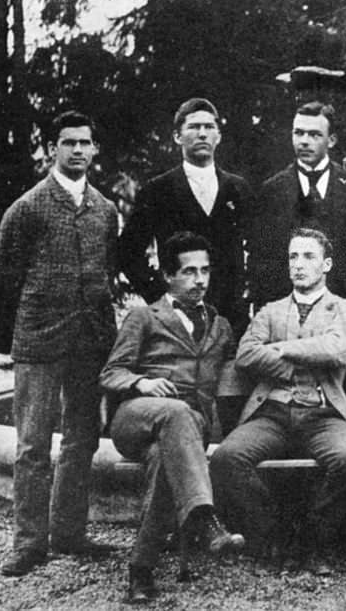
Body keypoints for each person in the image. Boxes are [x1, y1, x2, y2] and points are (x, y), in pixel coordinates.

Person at [0, 111, 119, 576]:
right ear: (52, 149)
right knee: (33, 445)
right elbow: (1, 280)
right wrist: (22, 331)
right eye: (68, 143)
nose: (77, 150)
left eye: (85, 143)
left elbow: (108, 273)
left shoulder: (105, 210)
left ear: (95, 149)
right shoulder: (27, 208)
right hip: (39, 341)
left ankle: (69, 532)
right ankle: (28, 543)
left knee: (81, 439)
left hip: (89, 341)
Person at [211, 228, 346, 566]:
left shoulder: (345, 309)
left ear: (326, 264)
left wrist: (281, 348)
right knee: (227, 458)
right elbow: (246, 356)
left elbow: (337, 349)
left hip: (324, 414)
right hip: (272, 413)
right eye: (293, 257)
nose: (298, 265)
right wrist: (295, 362)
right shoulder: (270, 311)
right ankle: (275, 534)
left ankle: (315, 538)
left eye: (308, 256)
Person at [100, 232, 245, 603]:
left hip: (186, 429)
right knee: (176, 413)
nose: (200, 280)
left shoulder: (220, 325)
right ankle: (206, 518)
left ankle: (141, 569)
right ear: (167, 275)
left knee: (168, 455)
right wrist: (143, 383)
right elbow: (110, 374)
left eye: (206, 271)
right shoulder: (144, 317)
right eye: (189, 271)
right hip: (136, 418)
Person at [118, 97, 253, 435]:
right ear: (177, 136)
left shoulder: (238, 189)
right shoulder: (158, 190)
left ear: (219, 136)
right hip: (178, 320)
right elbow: (128, 252)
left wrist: (247, 290)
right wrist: (159, 293)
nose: (202, 134)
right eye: (193, 127)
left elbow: (262, 250)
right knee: (181, 397)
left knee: (232, 399)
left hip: (230, 315)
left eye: (209, 127)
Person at [247, 101, 346, 309]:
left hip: (342, 308)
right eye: (299, 133)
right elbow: (262, 258)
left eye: (314, 135)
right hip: (288, 308)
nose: (304, 141)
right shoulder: (272, 190)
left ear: (331, 140)